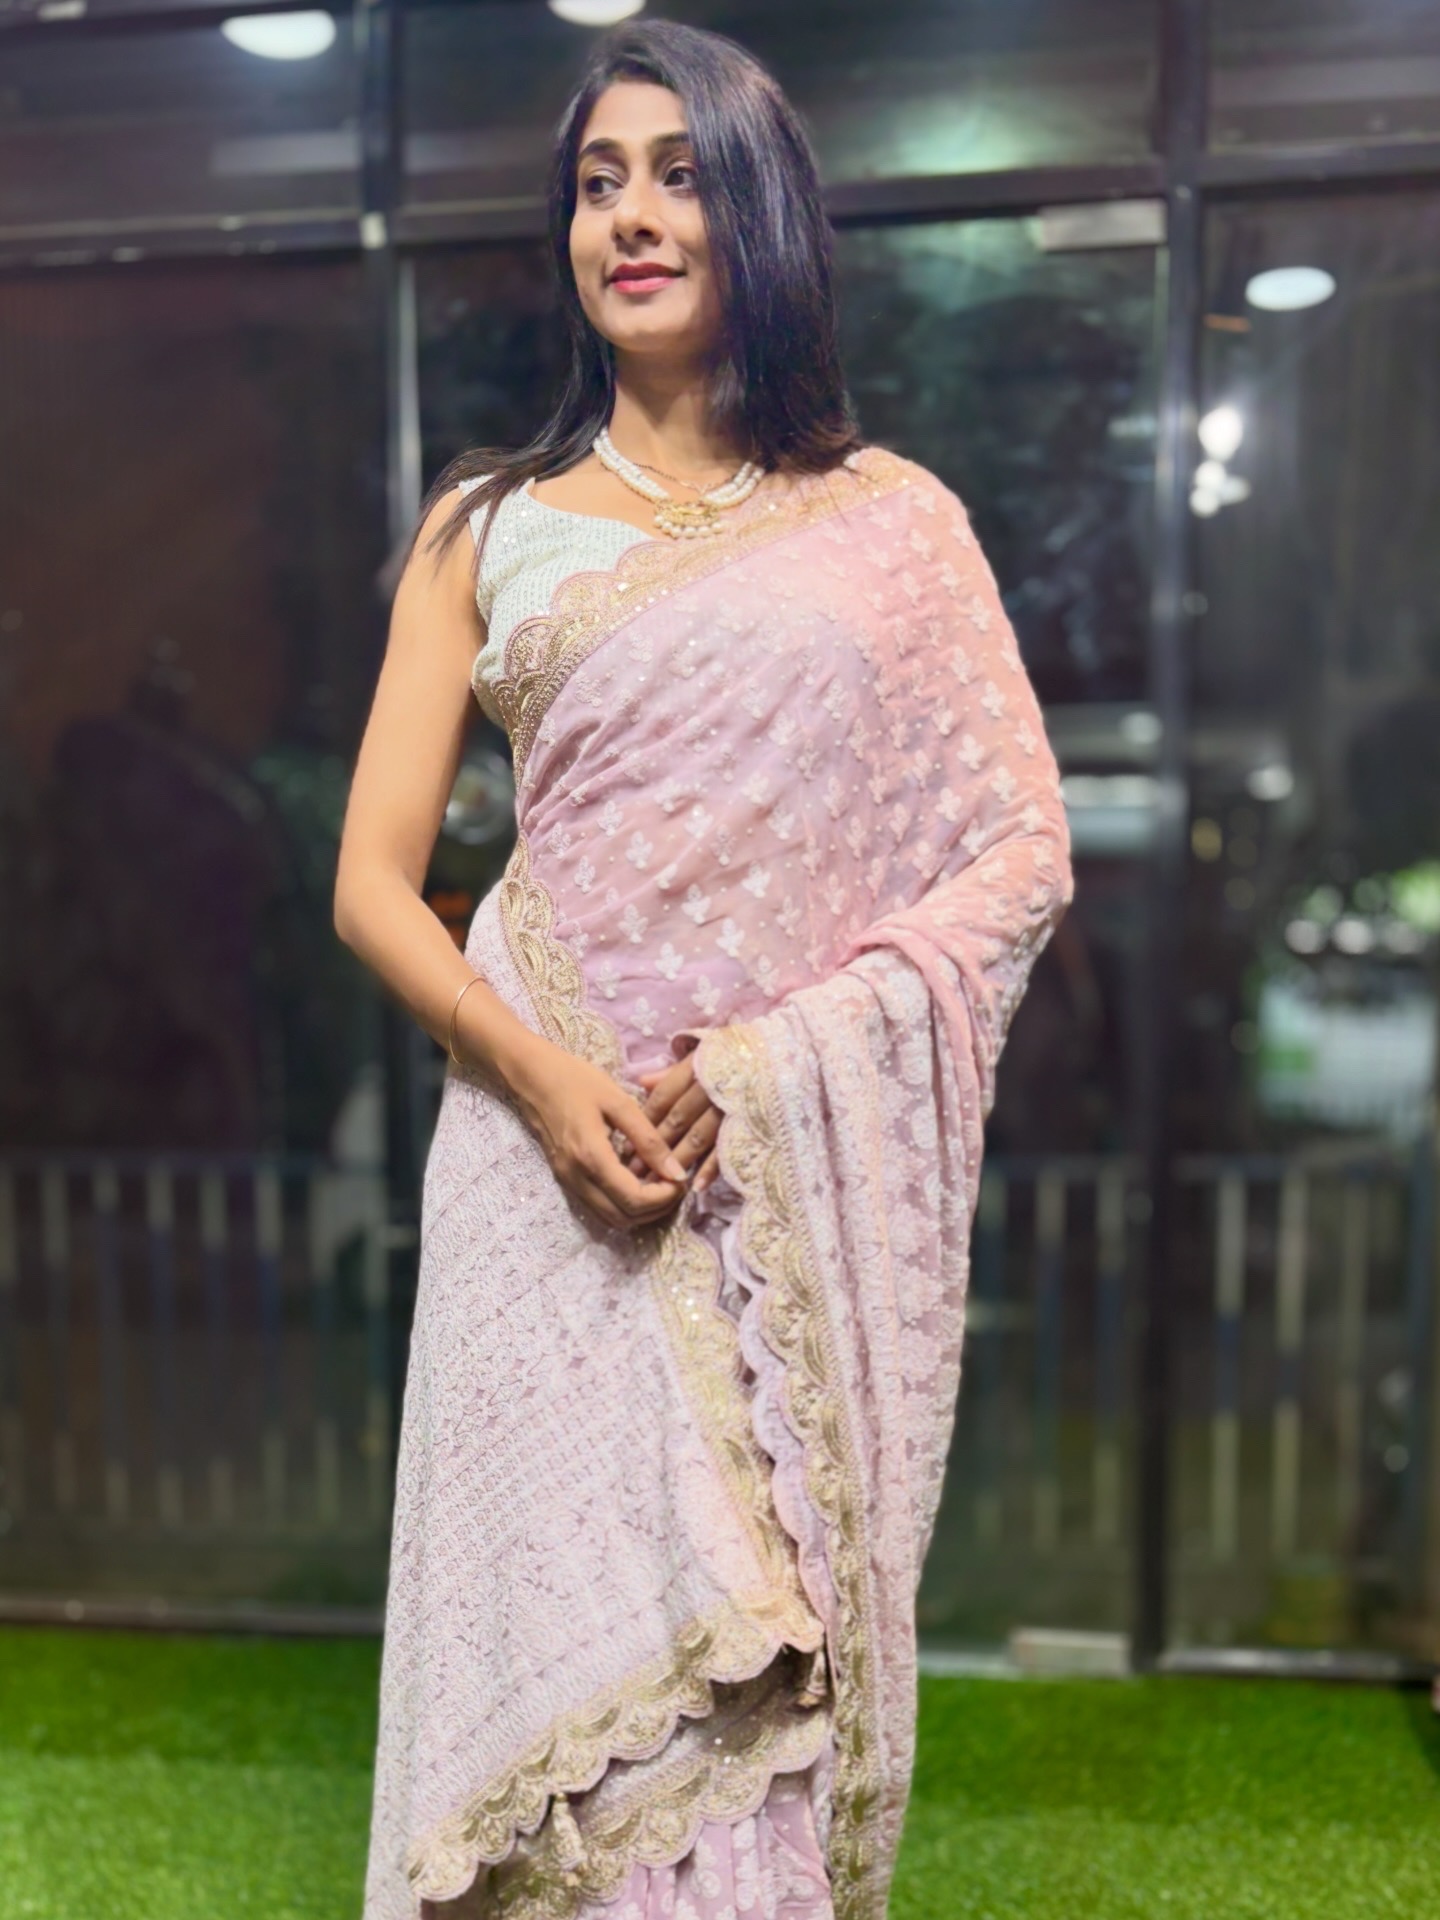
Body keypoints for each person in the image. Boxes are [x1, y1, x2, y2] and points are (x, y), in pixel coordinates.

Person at [335, 21, 1072, 1920]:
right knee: (551, 1685)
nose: (634, 219)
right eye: (600, 184)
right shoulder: (485, 530)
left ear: (760, 214)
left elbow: (1016, 850)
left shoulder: (891, 527)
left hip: (765, 1197)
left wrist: (772, 1066)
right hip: (536, 1173)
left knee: (762, 1668)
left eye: (678, 176)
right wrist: (542, 1081)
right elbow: (373, 886)